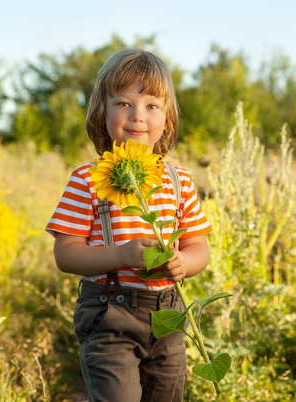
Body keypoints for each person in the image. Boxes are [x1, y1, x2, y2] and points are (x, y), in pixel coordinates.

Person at [46, 49, 212, 402]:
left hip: (169, 314)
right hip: (111, 317)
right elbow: (66, 254)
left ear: (167, 119)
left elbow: (199, 246)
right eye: (123, 103)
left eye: (152, 106)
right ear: (101, 113)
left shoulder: (178, 180)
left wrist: (185, 264)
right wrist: (121, 254)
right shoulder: (88, 180)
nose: (138, 116)